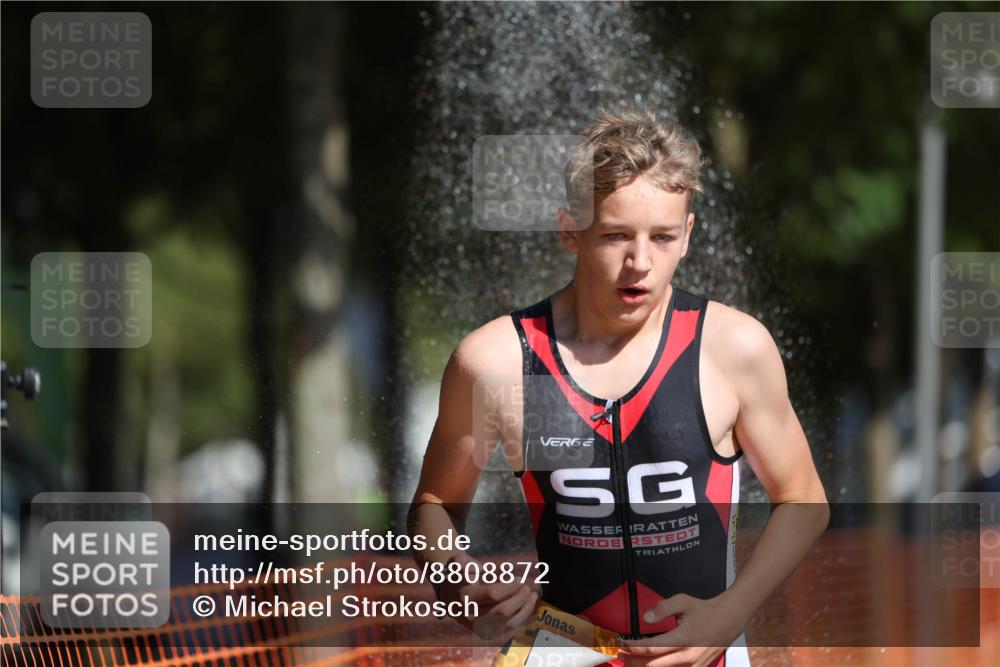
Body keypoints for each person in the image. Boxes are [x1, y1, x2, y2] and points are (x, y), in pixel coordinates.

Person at [408, 108, 830, 667]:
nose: (640, 262)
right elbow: (434, 504)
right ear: (569, 231)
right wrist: (458, 585)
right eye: (614, 236)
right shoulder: (499, 361)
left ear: (689, 235)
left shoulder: (733, 349)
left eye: (663, 237)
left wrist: (729, 617)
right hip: (559, 651)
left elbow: (803, 499)